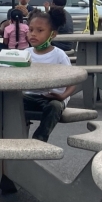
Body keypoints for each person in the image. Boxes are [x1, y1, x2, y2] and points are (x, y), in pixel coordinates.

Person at [23, 10, 78, 143]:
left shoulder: (59, 55)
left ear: (52, 34)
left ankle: (39, 140)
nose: (33, 34)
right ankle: (11, 136)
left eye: (40, 30)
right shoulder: (25, 53)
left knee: (55, 107)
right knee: (7, 100)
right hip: (29, 96)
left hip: (52, 98)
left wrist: (62, 96)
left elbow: (73, 81)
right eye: (30, 30)